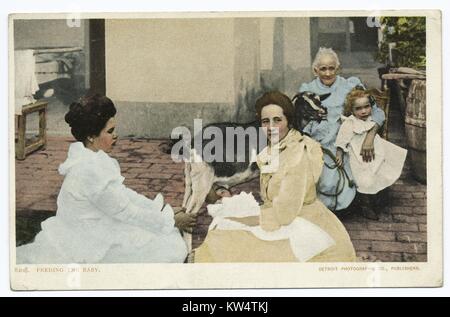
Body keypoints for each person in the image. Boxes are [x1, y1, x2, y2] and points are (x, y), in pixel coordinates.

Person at [16, 94, 195, 264]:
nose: (115, 135)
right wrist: (169, 220)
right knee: (172, 247)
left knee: (163, 236)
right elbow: (126, 212)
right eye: (110, 131)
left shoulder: (92, 156)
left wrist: (161, 209)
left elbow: (123, 195)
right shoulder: (89, 170)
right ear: (91, 136)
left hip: (98, 222)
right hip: (88, 237)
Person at [194, 91, 356, 262]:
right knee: (225, 225)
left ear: (289, 120)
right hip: (279, 215)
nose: (271, 127)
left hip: (302, 224)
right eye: (265, 122)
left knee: (228, 231)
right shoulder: (274, 148)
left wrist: (241, 217)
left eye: (277, 120)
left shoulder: (298, 153)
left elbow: (284, 214)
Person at [299, 47, 386, 213]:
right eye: (323, 69)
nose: (327, 73)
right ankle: (326, 206)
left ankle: (360, 200)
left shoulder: (350, 86)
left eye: (331, 68)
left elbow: (377, 112)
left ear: (338, 69)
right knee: (323, 177)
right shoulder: (308, 90)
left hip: (349, 139)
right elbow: (301, 121)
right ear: (315, 70)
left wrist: (370, 135)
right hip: (320, 142)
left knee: (359, 162)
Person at [335, 88, 407, 219]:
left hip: (376, 152)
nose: (363, 111)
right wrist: (339, 153)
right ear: (352, 110)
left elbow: (380, 119)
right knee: (363, 178)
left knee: (379, 171)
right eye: (358, 109)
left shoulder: (372, 119)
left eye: (366, 107)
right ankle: (365, 204)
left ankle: (377, 198)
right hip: (358, 156)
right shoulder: (350, 122)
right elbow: (342, 139)